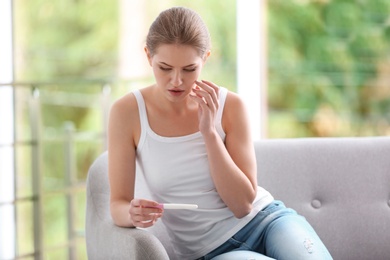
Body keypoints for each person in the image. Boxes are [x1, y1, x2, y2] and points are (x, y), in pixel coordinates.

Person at [108, 6, 332, 260]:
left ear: (205, 59)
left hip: (268, 220)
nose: (177, 81)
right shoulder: (127, 113)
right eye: (165, 68)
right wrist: (132, 214)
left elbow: (242, 205)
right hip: (210, 252)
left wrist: (210, 134)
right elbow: (118, 204)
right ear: (148, 56)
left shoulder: (230, 107)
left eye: (189, 69)